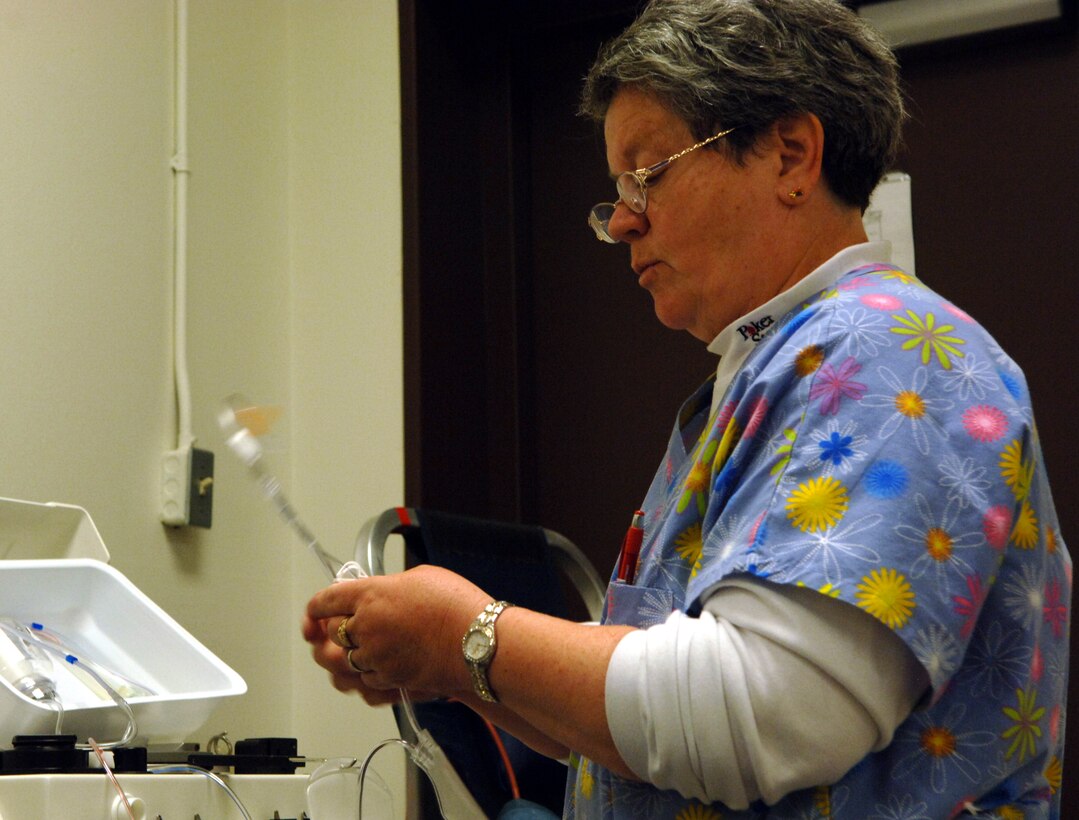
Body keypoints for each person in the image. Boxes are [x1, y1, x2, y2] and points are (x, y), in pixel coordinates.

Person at [303, 0, 1070, 816]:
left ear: (789, 155)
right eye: (616, 189)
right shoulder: (757, 381)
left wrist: (468, 633)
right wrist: (450, 670)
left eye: (648, 172)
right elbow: (656, 735)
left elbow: (764, 718)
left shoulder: (895, 352)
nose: (622, 221)